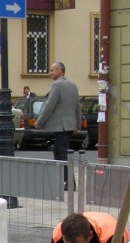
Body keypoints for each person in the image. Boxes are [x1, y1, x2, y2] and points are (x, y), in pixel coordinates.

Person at [35, 62, 81, 190]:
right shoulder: (73, 86)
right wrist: (77, 124)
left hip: (60, 126)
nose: (50, 73)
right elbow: (78, 107)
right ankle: (67, 181)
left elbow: (50, 105)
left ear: (60, 71)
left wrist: (39, 122)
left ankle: (68, 182)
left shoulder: (57, 85)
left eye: (52, 70)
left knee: (61, 154)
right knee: (61, 152)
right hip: (69, 126)